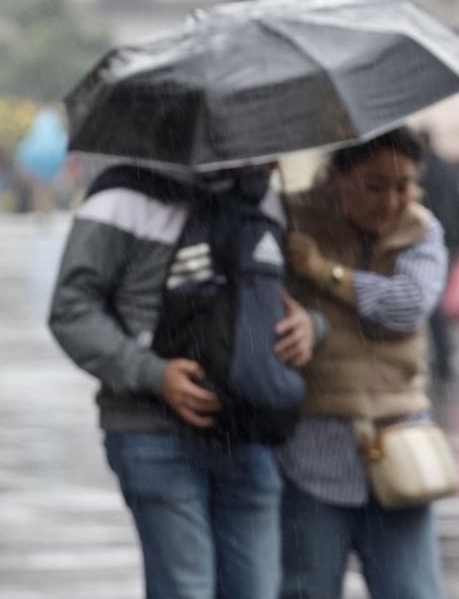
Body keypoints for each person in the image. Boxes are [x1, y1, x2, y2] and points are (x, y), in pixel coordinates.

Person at [48, 163, 318, 599]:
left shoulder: (266, 200)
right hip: (151, 431)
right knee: (185, 588)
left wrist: (310, 325)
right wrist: (154, 374)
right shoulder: (123, 198)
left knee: (257, 589)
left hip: (249, 432)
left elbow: (287, 298)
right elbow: (72, 310)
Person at [280, 128, 448, 599]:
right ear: (337, 177)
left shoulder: (420, 230)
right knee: (305, 587)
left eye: (404, 186)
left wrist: (324, 272)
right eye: (375, 186)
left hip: (400, 444)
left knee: (412, 589)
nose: (391, 201)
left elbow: (407, 305)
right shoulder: (292, 220)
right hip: (312, 445)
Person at [418, 129, 459, 381]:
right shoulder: (447, 170)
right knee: (437, 302)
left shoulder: (421, 172)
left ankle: (442, 358)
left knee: (434, 304)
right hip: (448, 242)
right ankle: (443, 358)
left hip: (431, 243)